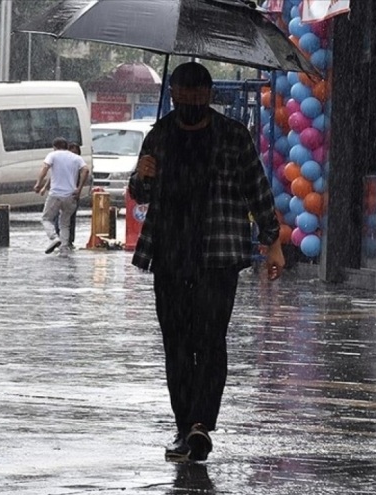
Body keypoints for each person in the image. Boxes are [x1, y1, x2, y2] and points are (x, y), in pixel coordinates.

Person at [127, 62, 285, 462]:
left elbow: (258, 191)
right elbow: (140, 194)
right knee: (177, 345)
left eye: (198, 94)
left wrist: (273, 241)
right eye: (183, 93)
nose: (191, 101)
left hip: (218, 257)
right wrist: (141, 175)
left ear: (209, 95)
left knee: (210, 341)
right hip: (169, 256)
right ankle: (185, 426)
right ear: (175, 94)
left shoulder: (232, 137)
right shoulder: (159, 136)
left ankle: (200, 425)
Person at [33, 137, 88, 255]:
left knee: (46, 218)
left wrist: (38, 183)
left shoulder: (53, 155)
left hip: (56, 194)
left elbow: (45, 168)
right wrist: (79, 189)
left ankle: (54, 238)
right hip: (71, 195)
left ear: (55, 147)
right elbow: (86, 170)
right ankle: (64, 247)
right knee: (65, 223)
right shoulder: (76, 158)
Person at [47, 141, 87, 247]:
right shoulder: (73, 161)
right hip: (65, 193)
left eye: (76, 152)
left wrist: (79, 189)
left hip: (71, 194)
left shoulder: (77, 162)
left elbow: (85, 172)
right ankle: (60, 240)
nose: (74, 154)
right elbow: (52, 175)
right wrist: (44, 186)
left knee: (67, 219)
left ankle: (65, 241)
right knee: (59, 218)